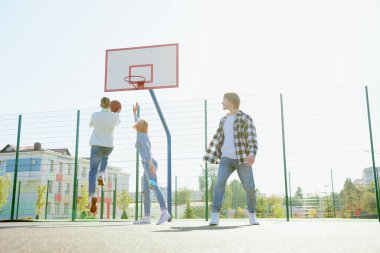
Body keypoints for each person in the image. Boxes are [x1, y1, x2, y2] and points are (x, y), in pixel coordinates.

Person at [203, 92, 260, 225]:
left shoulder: (245, 118)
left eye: (224, 100)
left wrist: (252, 153)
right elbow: (219, 139)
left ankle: (252, 215)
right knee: (219, 184)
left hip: (242, 158)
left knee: (250, 187)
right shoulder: (223, 120)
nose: (222, 102)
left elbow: (252, 138)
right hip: (226, 158)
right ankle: (215, 215)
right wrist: (214, 154)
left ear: (230, 101)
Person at [132, 102, 170, 225]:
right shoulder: (142, 133)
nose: (135, 125)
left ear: (139, 126)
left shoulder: (141, 136)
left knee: (154, 187)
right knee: (146, 190)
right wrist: (135, 113)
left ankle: (164, 211)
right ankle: (147, 217)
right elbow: (140, 123)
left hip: (149, 164)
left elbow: (147, 150)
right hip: (147, 165)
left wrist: (149, 163)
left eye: (137, 124)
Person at [88, 97, 120, 213]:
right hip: (108, 145)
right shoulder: (114, 116)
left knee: (92, 171)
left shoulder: (95, 115)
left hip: (96, 145)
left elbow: (90, 125)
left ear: (100, 104)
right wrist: (117, 112)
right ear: (110, 105)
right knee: (105, 158)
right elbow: (118, 122)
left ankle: (92, 195)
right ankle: (102, 174)